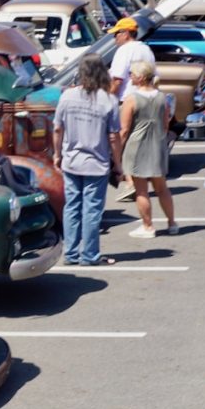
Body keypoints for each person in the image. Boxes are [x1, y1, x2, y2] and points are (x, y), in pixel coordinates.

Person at [52, 54, 124, 266]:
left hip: (72, 160)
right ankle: (89, 254)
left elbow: (57, 128)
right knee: (92, 210)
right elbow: (113, 137)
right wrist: (118, 164)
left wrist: (57, 154)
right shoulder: (109, 101)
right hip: (96, 163)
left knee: (72, 207)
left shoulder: (67, 96)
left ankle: (71, 253)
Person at [119, 61, 178, 238]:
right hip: (158, 145)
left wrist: (117, 151)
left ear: (140, 77)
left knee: (141, 190)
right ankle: (172, 223)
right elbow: (166, 124)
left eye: (132, 73)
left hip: (138, 146)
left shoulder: (132, 99)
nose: (130, 76)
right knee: (162, 188)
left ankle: (148, 226)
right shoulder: (162, 97)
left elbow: (124, 129)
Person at [106, 17, 156, 201]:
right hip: (147, 100)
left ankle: (128, 180)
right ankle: (137, 179)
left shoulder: (124, 51)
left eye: (117, 34)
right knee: (140, 144)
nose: (115, 38)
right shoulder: (146, 49)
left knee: (122, 140)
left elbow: (117, 80)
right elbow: (154, 78)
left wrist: (106, 99)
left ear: (126, 33)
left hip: (128, 101)